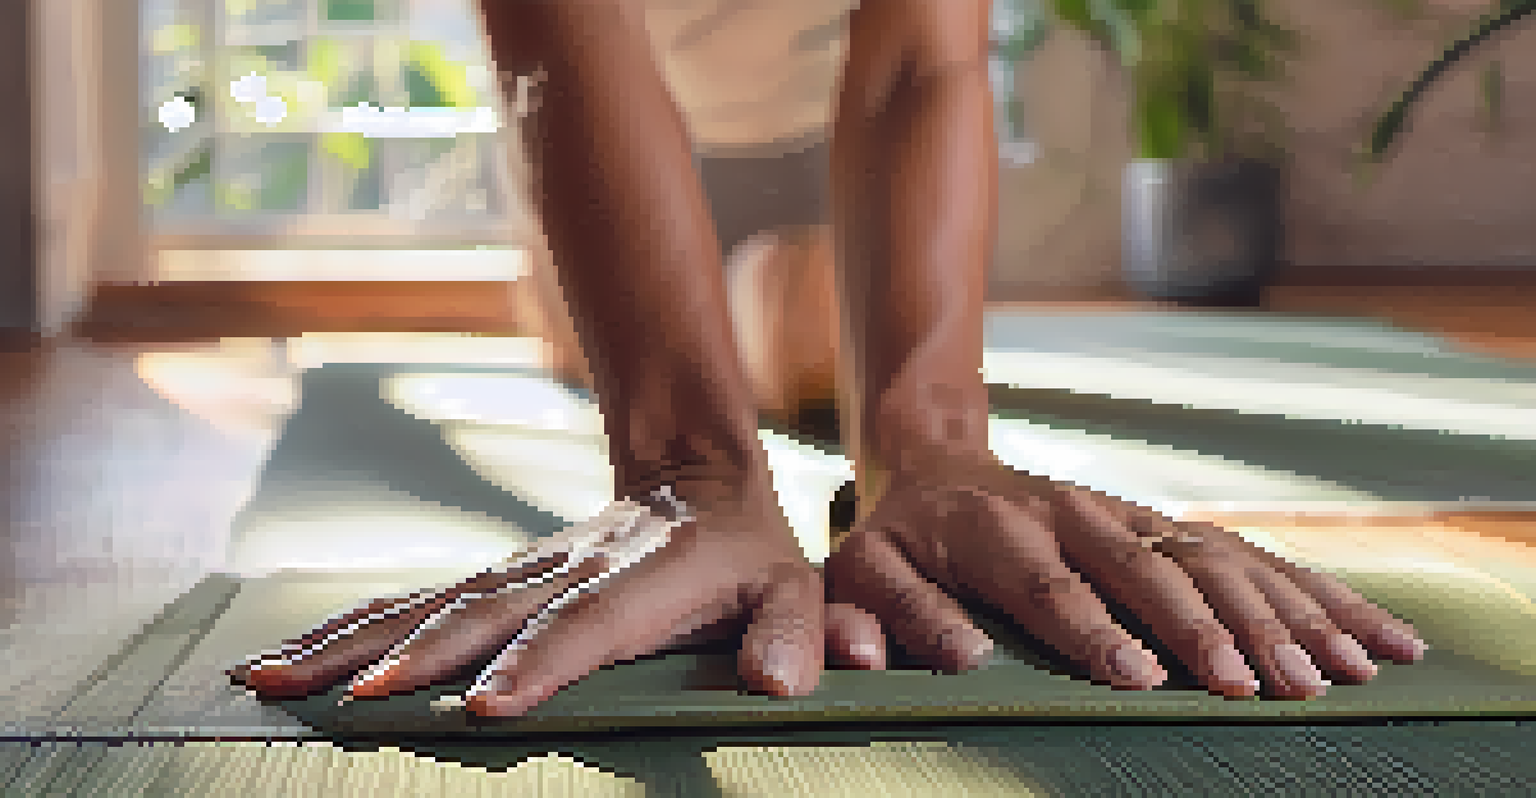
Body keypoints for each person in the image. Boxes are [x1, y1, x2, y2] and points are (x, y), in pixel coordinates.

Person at [232, 0, 1426, 716]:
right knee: (574, 347)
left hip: (817, 90)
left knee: (790, 316)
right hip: (612, 70)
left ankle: (768, 298)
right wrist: (687, 470)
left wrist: (934, 448)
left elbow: (924, 53)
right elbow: (555, 40)